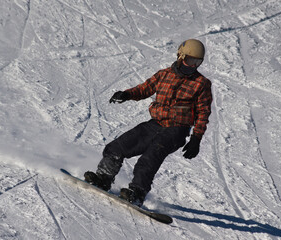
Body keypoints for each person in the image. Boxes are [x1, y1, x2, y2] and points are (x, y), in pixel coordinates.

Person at [84, 39, 213, 206]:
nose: (193, 66)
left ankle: (137, 192)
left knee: (150, 157)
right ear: (180, 57)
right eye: (190, 61)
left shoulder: (201, 84)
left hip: (177, 130)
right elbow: (145, 88)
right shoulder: (164, 75)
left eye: (197, 62)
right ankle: (103, 178)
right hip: (155, 124)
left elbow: (203, 112)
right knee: (118, 146)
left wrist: (196, 138)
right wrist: (127, 94)